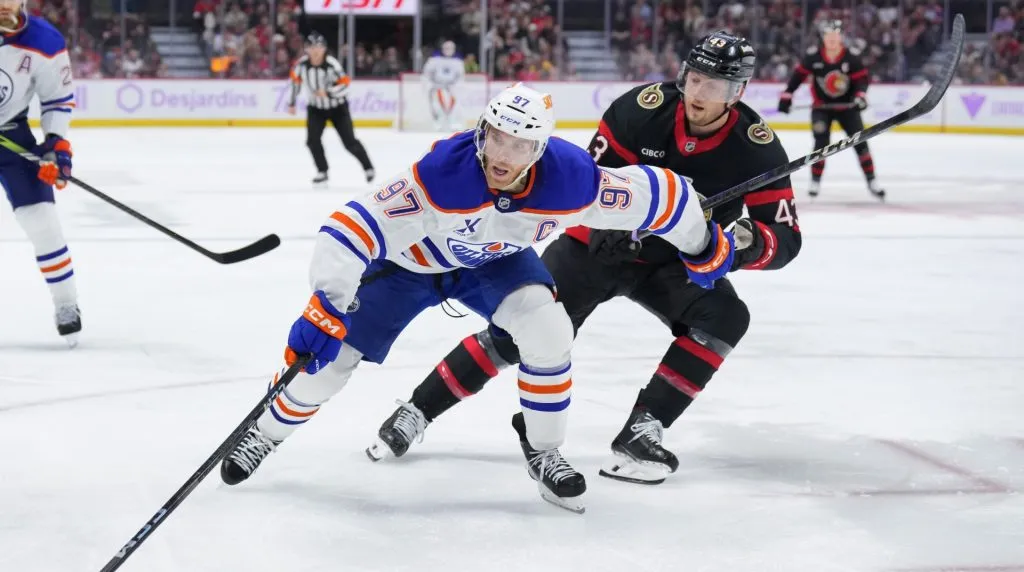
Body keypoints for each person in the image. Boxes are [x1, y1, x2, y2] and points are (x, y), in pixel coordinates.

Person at [220, 82, 729, 513]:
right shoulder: (444, 175)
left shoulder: (572, 181)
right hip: (408, 267)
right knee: (329, 362)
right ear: (482, 131)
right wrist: (325, 305)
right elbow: (352, 227)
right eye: (497, 137)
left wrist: (704, 244)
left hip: (490, 264)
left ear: (541, 149)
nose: (503, 156)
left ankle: (544, 451)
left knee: (549, 331)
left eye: (520, 145)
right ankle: (263, 432)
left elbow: (663, 198)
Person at [367, 31, 802, 486]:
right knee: (522, 333)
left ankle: (642, 430)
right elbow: (584, 187)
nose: (698, 93)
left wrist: (740, 248)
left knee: (726, 316)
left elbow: (785, 238)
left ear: (738, 93)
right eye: (694, 79)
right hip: (596, 247)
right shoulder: (642, 111)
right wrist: (604, 229)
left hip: (675, 262)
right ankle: (417, 409)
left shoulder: (758, 149)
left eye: (713, 86)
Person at [0, 0, 80, 346]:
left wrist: (54, 146)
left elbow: (57, 99)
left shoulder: (44, 40)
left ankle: (67, 305)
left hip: (11, 135)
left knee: (43, 221)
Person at [778, 19, 884, 199]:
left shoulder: (851, 57)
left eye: (835, 35)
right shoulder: (814, 57)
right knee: (820, 145)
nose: (832, 39)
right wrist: (787, 95)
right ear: (823, 38)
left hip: (848, 108)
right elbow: (798, 76)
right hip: (822, 108)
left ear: (841, 37)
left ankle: (872, 181)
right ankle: (815, 181)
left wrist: (860, 96)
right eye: (828, 36)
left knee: (860, 143)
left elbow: (862, 81)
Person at [287, 31, 375, 186]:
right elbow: (295, 83)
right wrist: (292, 102)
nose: (315, 50)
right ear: (306, 49)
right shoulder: (301, 65)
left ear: (324, 49)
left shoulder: (332, 64)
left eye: (319, 47)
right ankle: (322, 171)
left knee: (349, 142)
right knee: (312, 141)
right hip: (315, 108)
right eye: (311, 47)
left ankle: (368, 167)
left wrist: (328, 92)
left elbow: (346, 85)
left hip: (338, 108)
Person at [421, 40, 465, 130]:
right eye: (446, 48)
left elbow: (460, 77)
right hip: (437, 87)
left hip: (451, 87)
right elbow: (426, 74)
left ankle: (453, 121)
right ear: (442, 48)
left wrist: (455, 86)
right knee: (437, 104)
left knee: (454, 102)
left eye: (450, 48)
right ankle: (438, 122)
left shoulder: (458, 62)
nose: (448, 50)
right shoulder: (434, 60)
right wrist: (431, 84)